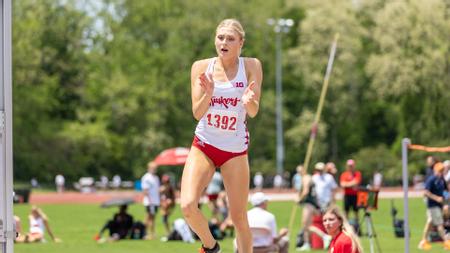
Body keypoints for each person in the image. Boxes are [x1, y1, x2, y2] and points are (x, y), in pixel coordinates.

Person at [180, 18, 263, 253]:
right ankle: (211, 247)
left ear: (241, 43)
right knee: (187, 205)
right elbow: (197, 113)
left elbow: (254, 112)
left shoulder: (251, 66)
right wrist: (209, 93)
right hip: (204, 144)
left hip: (234, 150)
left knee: (238, 218)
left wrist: (249, 102)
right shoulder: (200, 67)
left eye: (230, 39)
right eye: (220, 37)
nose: (224, 42)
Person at [296, 163, 333, 251]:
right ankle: (307, 243)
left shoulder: (306, 178)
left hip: (309, 203)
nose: (299, 173)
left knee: (305, 225)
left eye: (299, 171)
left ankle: (324, 237)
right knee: (306, 225)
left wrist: (299, 200)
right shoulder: (311, 177)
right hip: (312, 203)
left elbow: (306, 191)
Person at [418, 162, 450, 250]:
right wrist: (436, 198)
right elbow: (426, 192)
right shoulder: (431, 179)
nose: (441, 172)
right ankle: (446, 242)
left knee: (430, 222)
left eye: (442, 170)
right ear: (435, 171)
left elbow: (445, 190)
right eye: (440, 170)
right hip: (432, 205)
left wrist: (446, 197)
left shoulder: (441, 179)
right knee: (439, 223)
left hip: (439, 204)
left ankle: (423, 241)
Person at [141, 161, 161, 239]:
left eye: (155, 168)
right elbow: (145, 190)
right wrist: (150, 201)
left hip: (156, 201)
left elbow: (157, 189)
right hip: (150, 202)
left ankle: (152, 233)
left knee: (153, 218)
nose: (154, 169)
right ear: (149, 168)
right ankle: (144, 233)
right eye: (153, 168)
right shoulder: (146, 177)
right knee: (148, 217)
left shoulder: (156, 177)